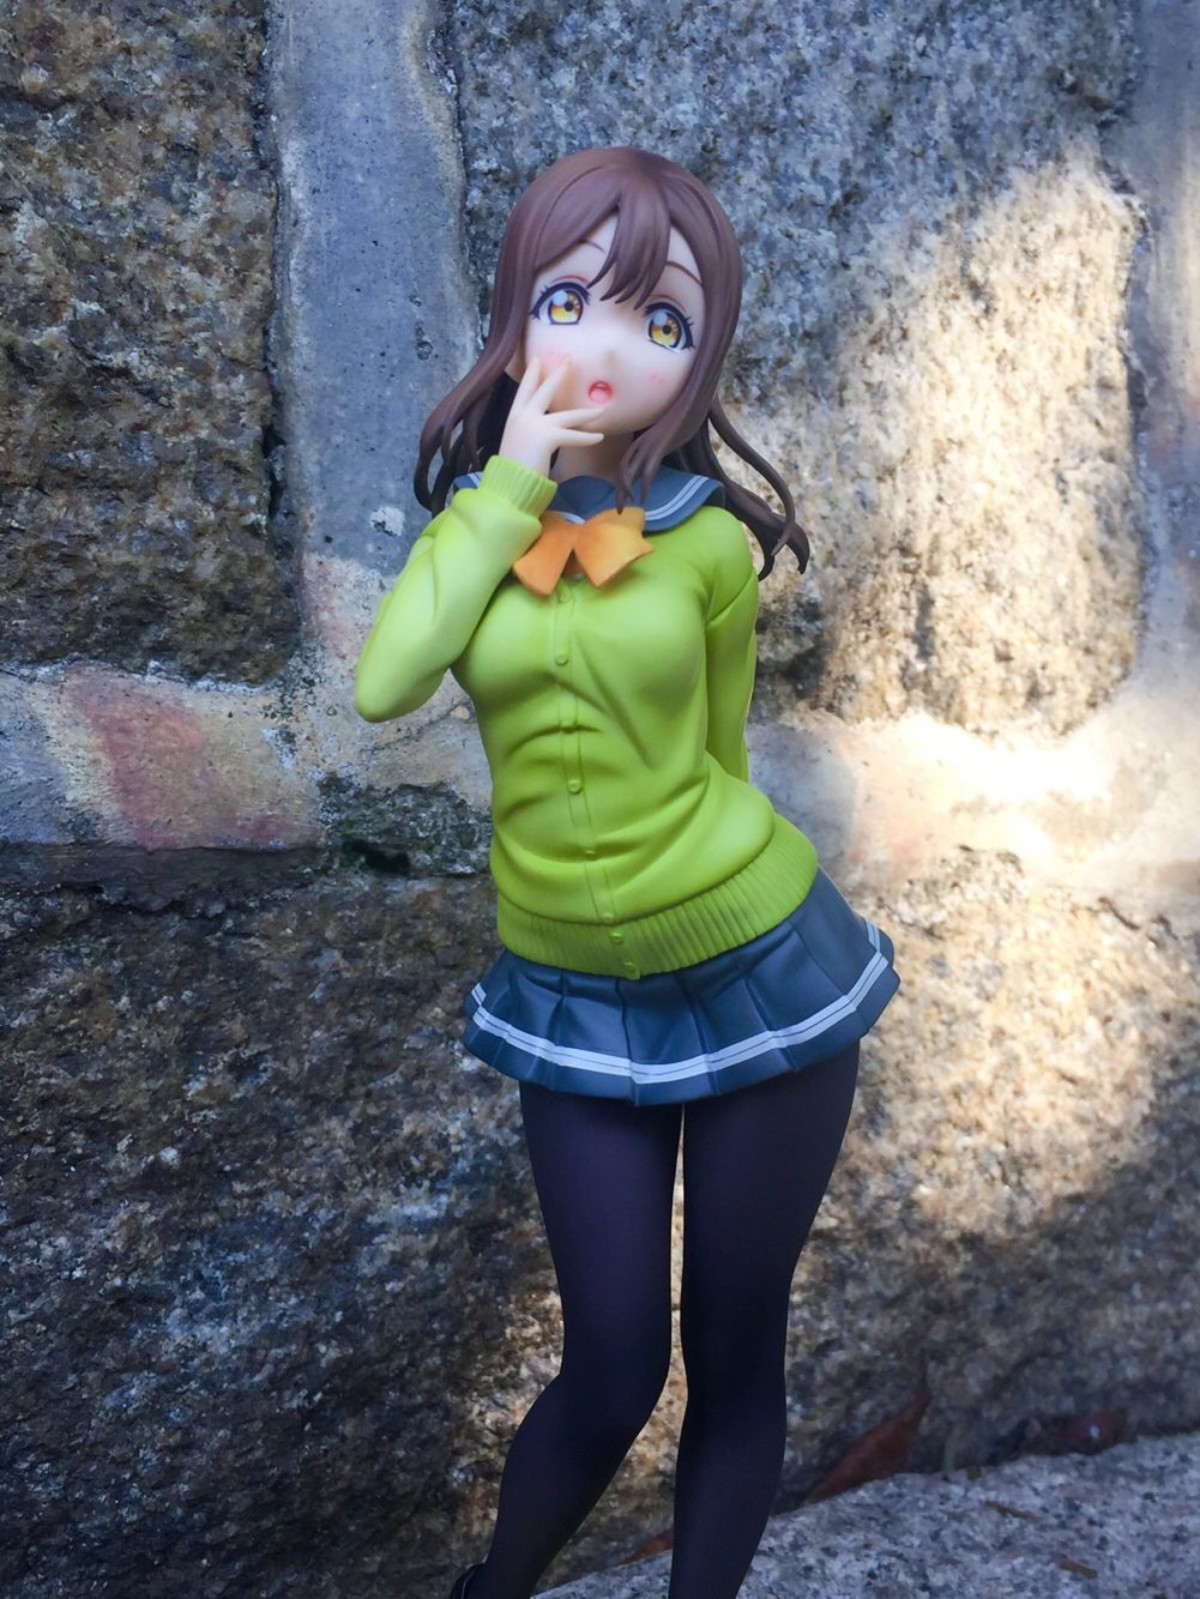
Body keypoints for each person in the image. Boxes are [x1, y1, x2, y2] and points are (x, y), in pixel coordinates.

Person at [354, 146, 900, 1599]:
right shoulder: (475, 536)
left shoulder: (708, 546)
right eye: (568, 300)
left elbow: (719, 752)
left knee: (734, 1344)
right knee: (610, 1361)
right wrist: (508, 487)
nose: (607, 346)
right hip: (571, 989)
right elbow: (385, 683)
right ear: (514, 316)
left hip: (759, 960)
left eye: (661, 320)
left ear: (698, 359)